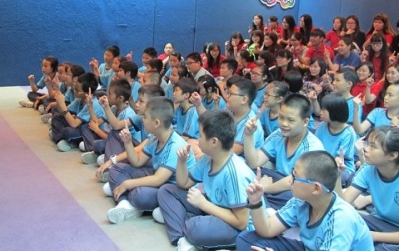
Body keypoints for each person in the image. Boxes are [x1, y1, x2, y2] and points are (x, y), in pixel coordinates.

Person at [156, 110, 257, 250]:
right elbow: (183, 184)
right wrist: (181, 162)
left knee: (196, 227)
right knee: (166, 191)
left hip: (237, 227)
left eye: (200, 135)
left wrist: (203, 204)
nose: (197, 139)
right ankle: (182, 238)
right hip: (213, 209)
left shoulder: (235, 172)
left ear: (214, 142)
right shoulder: (207, 159)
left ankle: (182, 223)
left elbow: (241, 223)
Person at [236, 151, 374, 251]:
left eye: (295, 176)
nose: (290, 180)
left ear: (315, 188)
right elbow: (267, 230)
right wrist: (256, 202)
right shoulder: (300, 201)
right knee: (246, 239)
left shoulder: (341, 218)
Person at [106, 97, 196, 224]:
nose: (143, 120)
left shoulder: (175, 145)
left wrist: (127, 184)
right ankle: (126, 204)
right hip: (160, 181)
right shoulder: (154, 138)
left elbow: (158, 179)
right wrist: (127, 142)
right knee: (116, 169)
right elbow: (137, 162)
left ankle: (127, 199)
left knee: (139, 194)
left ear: (157, 123)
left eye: (145, 117)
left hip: (172, 190)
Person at [243, 93, 324, 210]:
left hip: (297, 187)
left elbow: (292, 180)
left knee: (295, 198)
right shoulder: (278, 135)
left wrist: (264, 188)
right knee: (248, 171)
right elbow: (254, 162)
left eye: (290, 120)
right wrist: (248, 135)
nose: (284, 124)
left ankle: (264, 209)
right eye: (281, 118)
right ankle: (263, 205)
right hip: (278, 179)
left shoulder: (312, 147)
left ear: (305, 122)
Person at [336, 126, 399, 250]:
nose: (365, 149)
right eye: (367, 144)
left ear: (392, 155)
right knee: (340, 221)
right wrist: (337, 175)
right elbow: (342, 204)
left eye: (373, 146)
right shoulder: (368, 169)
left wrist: (374, 236)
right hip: (377, 221)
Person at [80, 78, 138, 166]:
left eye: (110, 94)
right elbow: (96, 122)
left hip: (126, 145)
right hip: (111, 140)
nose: (107, 95)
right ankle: (100, 154)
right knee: (85, 128)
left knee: (99, 144)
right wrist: (90, 106)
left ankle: (102, 156)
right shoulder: (114, 108)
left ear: (120, 98)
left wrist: (97, 130)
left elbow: (115, 137)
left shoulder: (128, 114)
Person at [50, 72, 105, 152]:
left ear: (87, 93)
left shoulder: (93, 104)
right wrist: (58, 94)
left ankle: (64, 139)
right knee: (57, 117)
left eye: (77, 90)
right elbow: (62, 112)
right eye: (74, 88)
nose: (74, 91)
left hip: (91, 133)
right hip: (80, 127)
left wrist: (63, 106)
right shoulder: (79, 100)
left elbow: (74, 124)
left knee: (67, 131)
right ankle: (62, 138)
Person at [315, 93, 357, 186]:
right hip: (322, 162)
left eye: (323, 110)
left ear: (334, 112)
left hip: (341, 168)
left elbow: (341, 160)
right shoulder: (323, 126)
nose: (320, 112)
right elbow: (315, 146)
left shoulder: (348, 133)